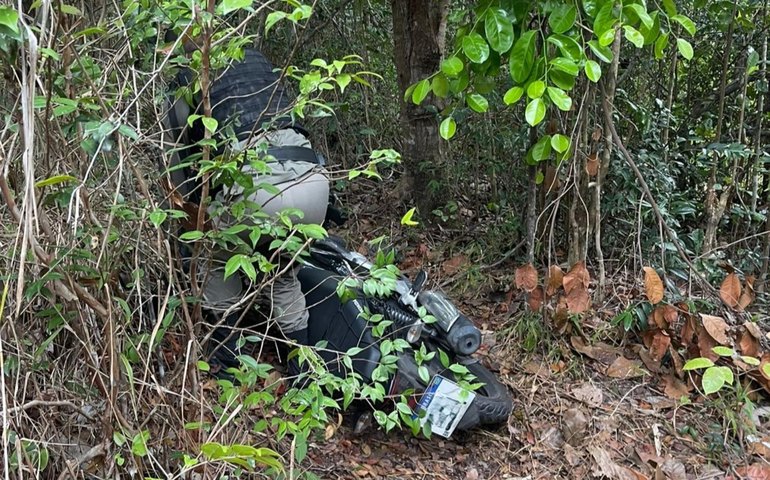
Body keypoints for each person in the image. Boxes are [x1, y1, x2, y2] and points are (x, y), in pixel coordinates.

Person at [161, 48, 330, 376]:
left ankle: (226, 368)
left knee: (212, 257)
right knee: (282, 272)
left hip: (257, 186)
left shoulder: (183, 77)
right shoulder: (255, 55)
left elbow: (180, 168)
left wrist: (192, 223)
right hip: (313, 179)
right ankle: (303, 371)